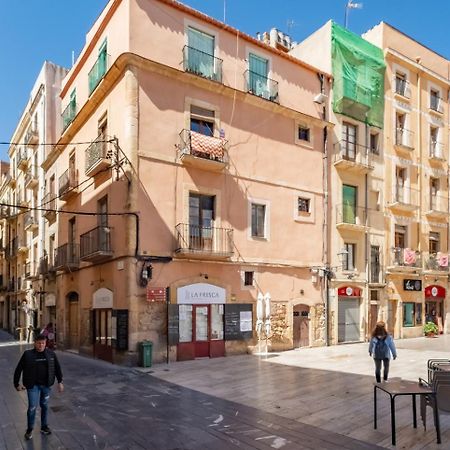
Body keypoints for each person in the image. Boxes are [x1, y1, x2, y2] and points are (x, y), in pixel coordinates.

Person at [13, 334, 64, 441]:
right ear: (34, 343)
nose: (41, 345)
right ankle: (29, 429)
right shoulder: (27, 354)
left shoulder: (51, 354)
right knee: (32, 407)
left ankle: (44, 427)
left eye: (43, 343)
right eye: (39, 343)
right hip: (32, 386)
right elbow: (18, 369)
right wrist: (16, 384)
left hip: (46, 385)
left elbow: (57, 368)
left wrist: (60, 381)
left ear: (45, 343)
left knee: (44, 406)